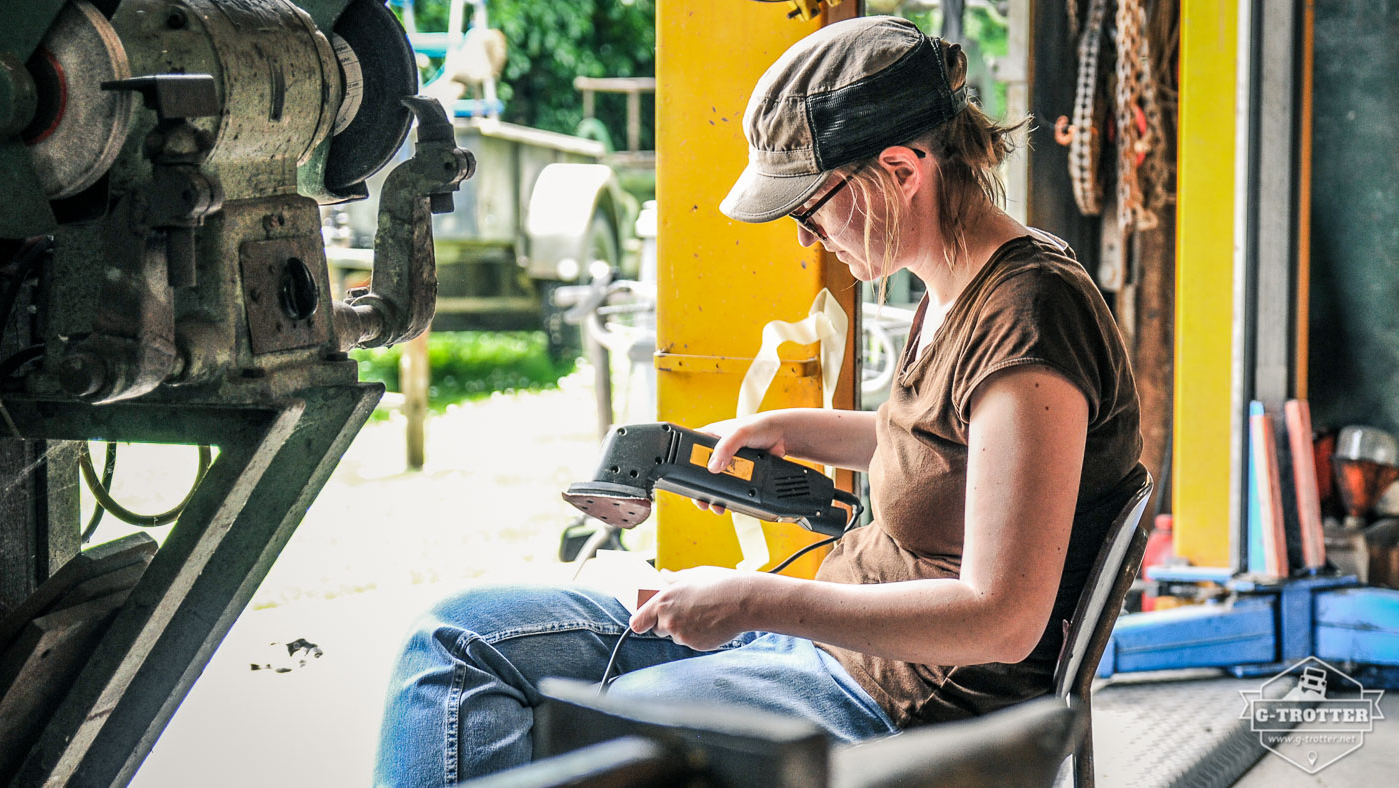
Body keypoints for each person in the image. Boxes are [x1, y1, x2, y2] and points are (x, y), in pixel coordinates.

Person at [373, 15, 1144, 786]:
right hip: (819, 641)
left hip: (892, 696)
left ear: (903, 170)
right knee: (456, 639)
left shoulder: (1029, 317)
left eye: (809, 208)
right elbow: (944, 445)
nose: (807, 240)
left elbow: (1002, 620)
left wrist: (755, 601)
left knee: (591, 724)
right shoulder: (956, 285)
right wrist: (788, 428)